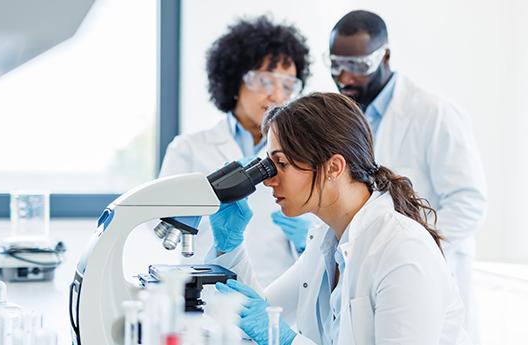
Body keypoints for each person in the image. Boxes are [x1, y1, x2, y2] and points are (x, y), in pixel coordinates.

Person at [210, 92, 472, 345]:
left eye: (282, 163)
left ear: (333, 167)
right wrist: (230, 245)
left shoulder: (401, 250)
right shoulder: (325, 243)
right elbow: (258, 314)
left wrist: (286, 341)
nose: (268, 179)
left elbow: (271, 330)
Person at [325, 10, 487, 337]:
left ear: (385, 56)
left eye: (358, 66)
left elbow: (469, 204)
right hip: (367, 280)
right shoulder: (344, 119)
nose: (346, 78)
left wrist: (406, 246)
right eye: (336, 65)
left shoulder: (434, 114)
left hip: (421, 276)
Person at [159, 16, 312, 285]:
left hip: (274, 298)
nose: (277, 95)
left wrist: (308, 241)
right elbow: (161, 224)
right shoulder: (189, 149)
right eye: (265, 81)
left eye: (288, 86)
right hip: (205, 294)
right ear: (234, 81)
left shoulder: (303, 155)